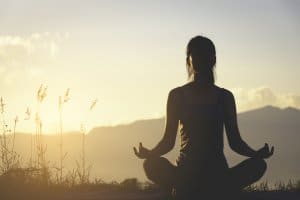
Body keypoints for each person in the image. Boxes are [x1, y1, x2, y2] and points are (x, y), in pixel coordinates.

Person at [133, 36, 274, 198]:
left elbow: (235, 142)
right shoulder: (177, 96)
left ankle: (194, 189)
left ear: (213, 59)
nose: (201, 58)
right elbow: (168, 141)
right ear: (189, 60)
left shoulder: (225, 97)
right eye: (196, 54)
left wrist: (257, 155)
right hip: (185, 174)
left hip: (217, 173)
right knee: (151, 164)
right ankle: (211, 190)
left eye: (205, 54)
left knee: (258, 165)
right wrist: (150, 153)